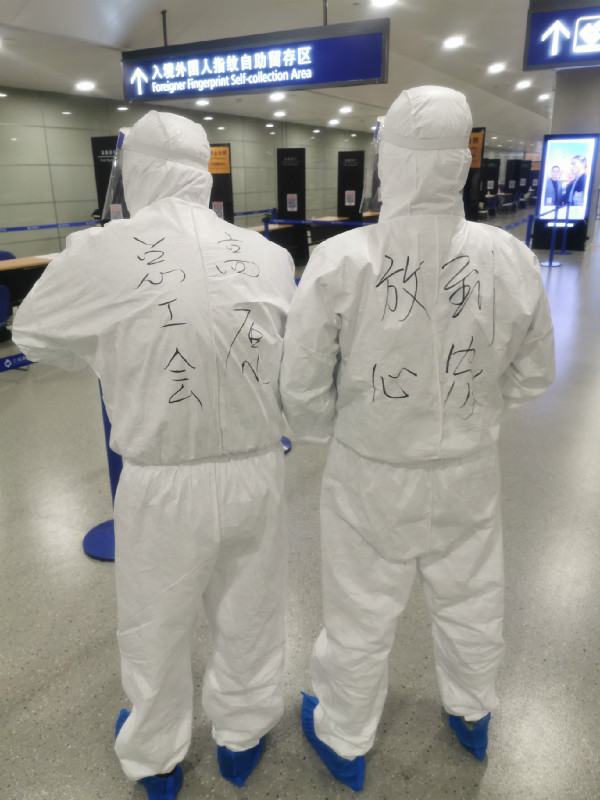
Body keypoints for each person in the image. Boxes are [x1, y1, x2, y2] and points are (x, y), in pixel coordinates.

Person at [12, 110, 296, 800]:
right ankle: (242, 737)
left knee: (154, 624)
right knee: (252, 612)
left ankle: (157, 758)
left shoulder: (99, 251)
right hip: (260, 470)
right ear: (205, 173)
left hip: (161, 480)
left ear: (133, 172)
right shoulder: (267, 253)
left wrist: (110, 349)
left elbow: (35, 333)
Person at [280, 85, 555, 791]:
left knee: (360, 608)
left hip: (369, 472)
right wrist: (473, 416)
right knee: (472, 597)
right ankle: (472, 713)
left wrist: (342, 429)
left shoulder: (341, 259)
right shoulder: (510, 256)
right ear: (461, 161)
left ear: (390, 161)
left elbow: (301, 387)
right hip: (469, 471)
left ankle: (345, 737)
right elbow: (534, 373)